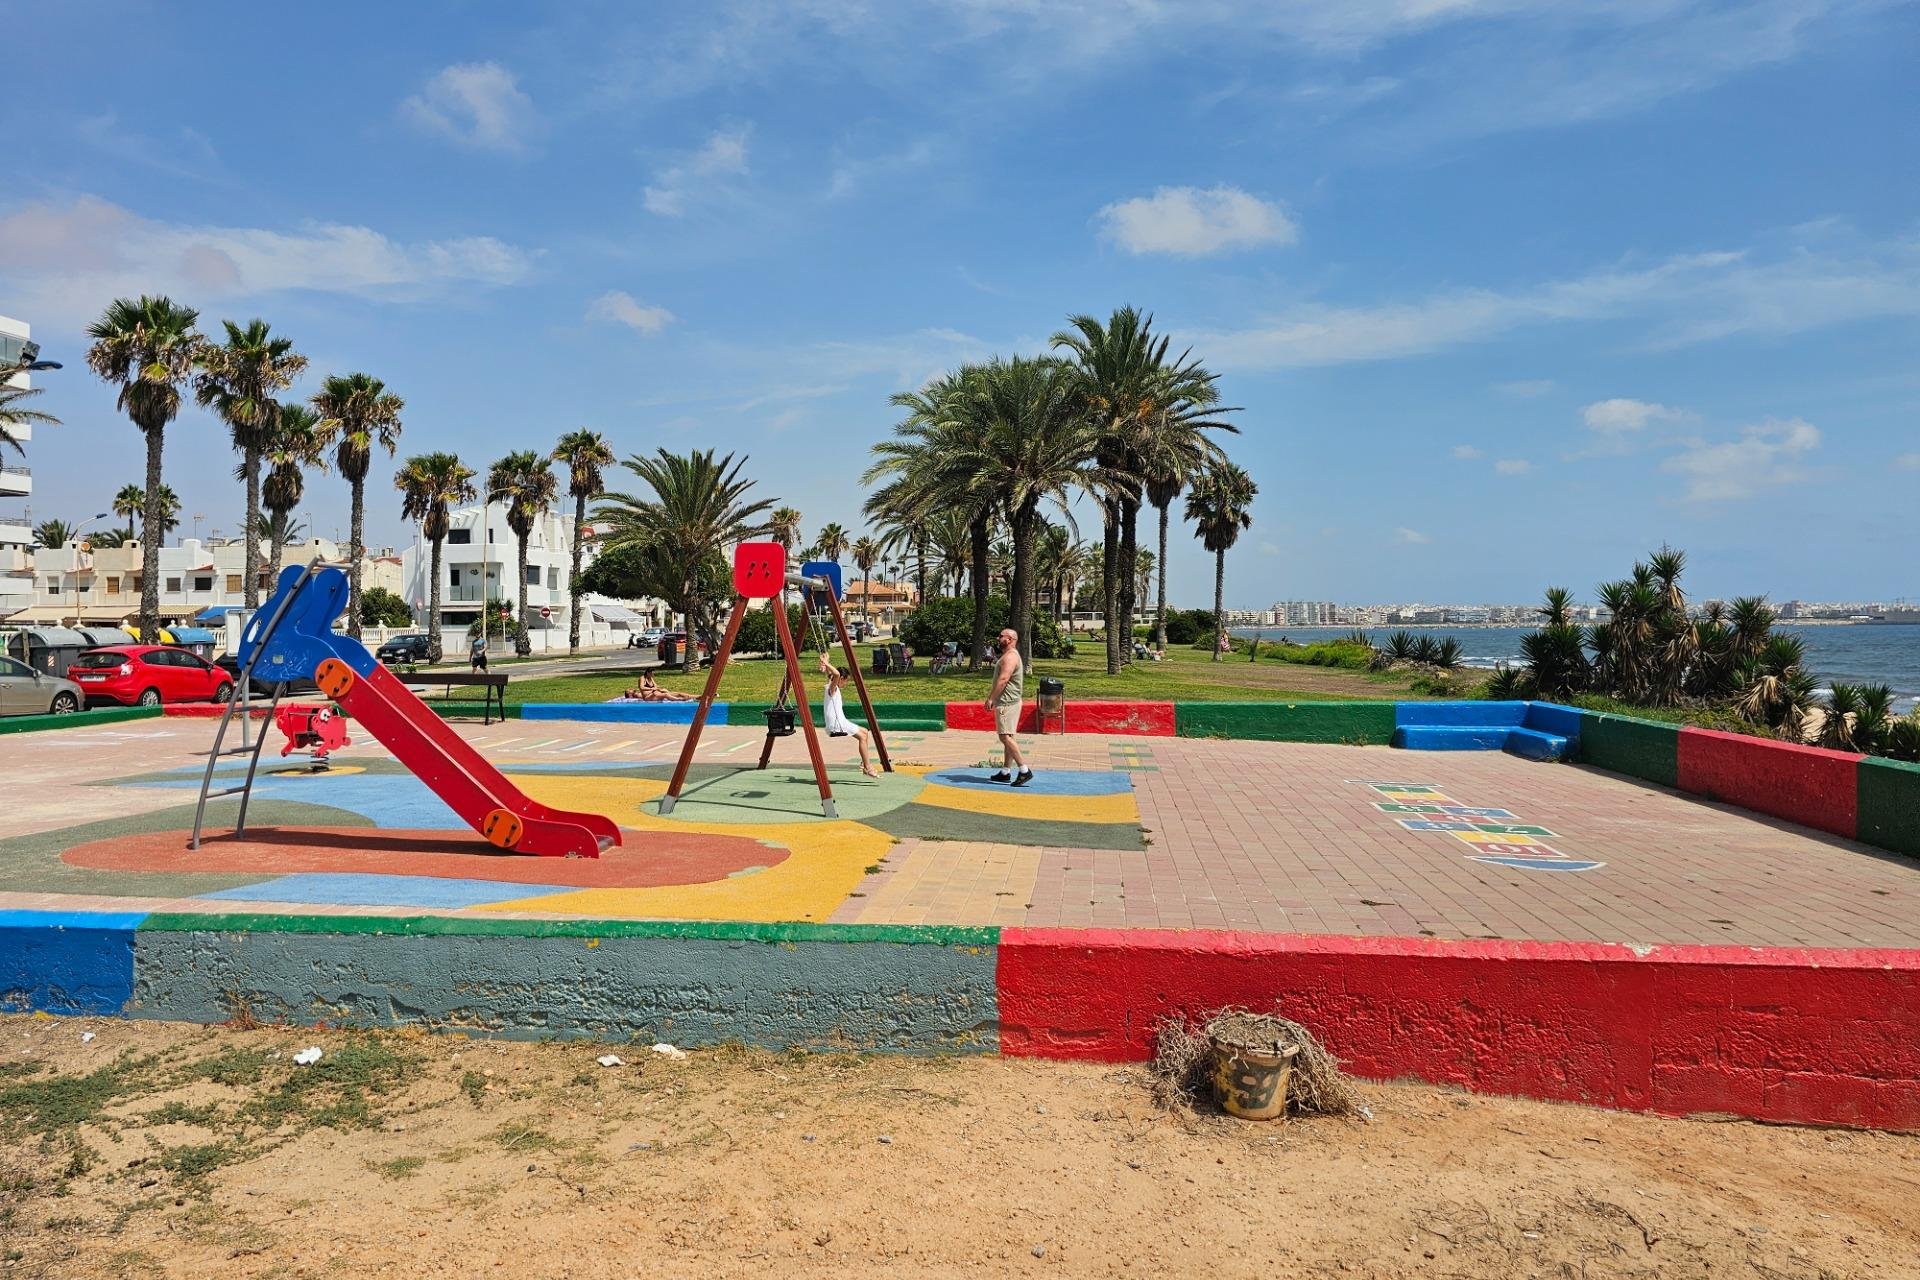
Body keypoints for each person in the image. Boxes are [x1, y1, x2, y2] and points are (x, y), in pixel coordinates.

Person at [818, 652, 880, 777]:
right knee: (863, 736)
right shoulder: (832, 688)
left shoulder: (831, 685)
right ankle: (867, 767)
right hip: (837, 725)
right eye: (845, 681)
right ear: (841, 679)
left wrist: (826, 661)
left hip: (839, 722)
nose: (845, 684)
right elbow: (835, 674)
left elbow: (831, 675)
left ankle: (865, 764)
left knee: (864, 732)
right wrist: (826, 663)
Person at [985, 627, 1032, 786]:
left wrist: (991, 698)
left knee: (1004, 736)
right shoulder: (1009, 655)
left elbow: (1004, 679)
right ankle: (1005, 772)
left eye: (1001, 636)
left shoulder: (1010, 657)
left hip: (1007, 702)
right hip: (1010, 701)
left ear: (1010, 639)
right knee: (1008, 737)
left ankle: (1024, 770)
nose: (998, 638)